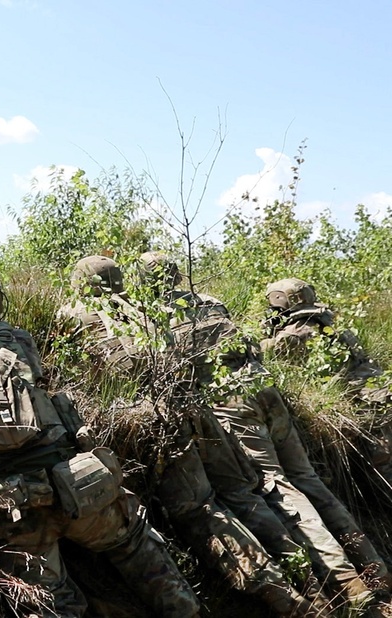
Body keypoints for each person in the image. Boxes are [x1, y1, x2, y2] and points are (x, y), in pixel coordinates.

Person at [0, 262, 201, 617]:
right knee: (136, 545)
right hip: (75, 479)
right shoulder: (18, 338)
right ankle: (187, 611)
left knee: (47, 602)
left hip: (9, 503)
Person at [58, 255, 329, 617]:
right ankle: (316, 586)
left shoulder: (72, 314)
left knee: (200, 512)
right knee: (241, 495)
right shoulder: (145, 309)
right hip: (194, 409)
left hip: (153, 423)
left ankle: (288, 602)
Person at [136, 253, 388, 611]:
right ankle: (374, 567)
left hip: (232, 402)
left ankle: (348, 582)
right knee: (307, 478)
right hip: (265, 389)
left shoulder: (153, 318)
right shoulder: (210, 302)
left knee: (277, 486)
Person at [261, 277, 392, 494]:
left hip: (371, 404)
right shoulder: (328, 320)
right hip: (379, 392)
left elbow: (264, 353)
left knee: (383, 475)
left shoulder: (298, 331)